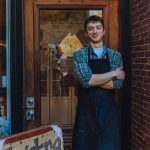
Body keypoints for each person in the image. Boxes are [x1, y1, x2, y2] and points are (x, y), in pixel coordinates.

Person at [72, 15, 125, 150]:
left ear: (104, 31)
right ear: (86, 33)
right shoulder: (80, 54)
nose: (95, 31)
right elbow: (85, 80)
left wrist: (92, 79)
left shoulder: (115, 55)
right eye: (90, 29)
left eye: (98, 28)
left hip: (108, 117)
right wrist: (114, 73)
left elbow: (117, 84)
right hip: (85, 117)